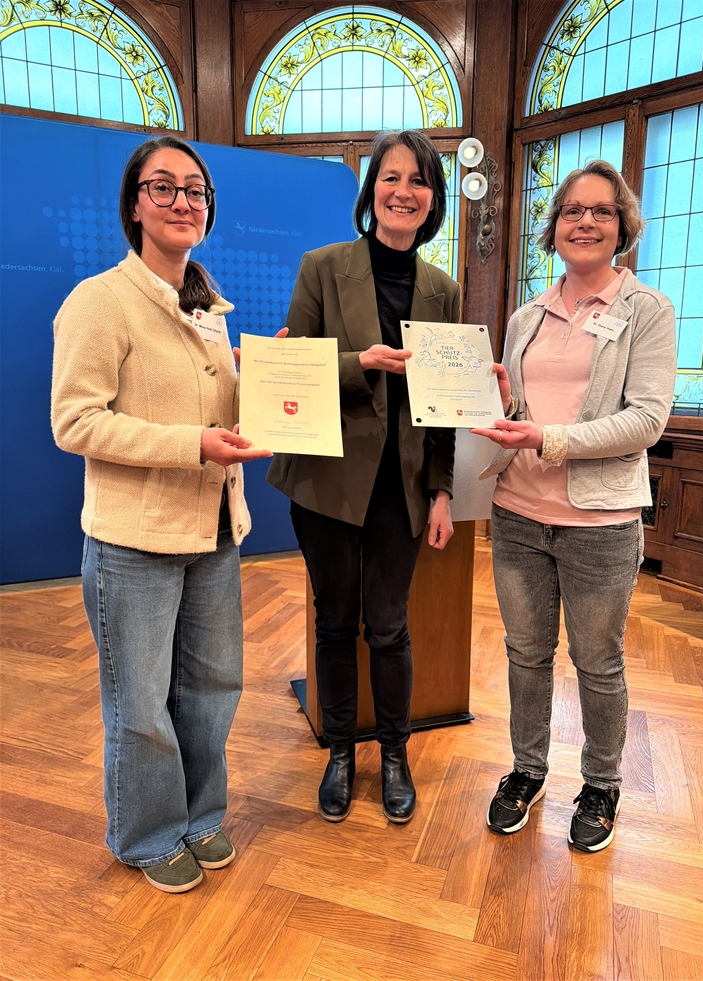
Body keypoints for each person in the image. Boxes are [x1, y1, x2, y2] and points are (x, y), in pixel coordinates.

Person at [51, 136, 275, 892]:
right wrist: (195, 443)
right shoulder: (100, 300)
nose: (183, 201)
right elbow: (75, 421)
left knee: (213, 687)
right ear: (135, 204)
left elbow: (218, 416)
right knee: (140, 703)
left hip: (213, 530)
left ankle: (201, 814)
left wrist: (272, 379)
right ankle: (146, 834)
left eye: (196, 190)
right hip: (133, 540)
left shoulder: (208, 307)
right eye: (165, 187)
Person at [472, 160, 676, 852]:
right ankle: (527, 770)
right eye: (571, 211)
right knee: (526, 654)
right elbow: (520, 412)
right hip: (518, 513)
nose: (585, 222)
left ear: (623, 227)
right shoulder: (526, 315)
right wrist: (498, 404)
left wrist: (546, 436)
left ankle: (602, 783)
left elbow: (646, 421)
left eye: (601, 211)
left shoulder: (645, 309)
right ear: (553, 227)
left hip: (601, 524)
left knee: (598, 661)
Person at [268, 130, 460, 824]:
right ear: (371, 189)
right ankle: (341, 751)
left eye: (418, 180)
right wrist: (364, 364)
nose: (403, 191)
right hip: (325, 479)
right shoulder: (322, 267)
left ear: (432, 199)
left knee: (389, 625)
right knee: (334, 620)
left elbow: (447, 405)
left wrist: (442, 490)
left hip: (401, 486)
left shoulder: (444, 289)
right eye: (391, 177)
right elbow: (297, 374)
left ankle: (396, 753)